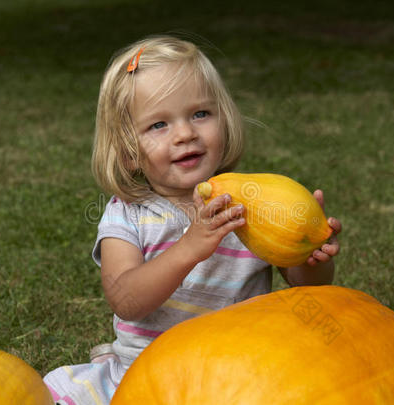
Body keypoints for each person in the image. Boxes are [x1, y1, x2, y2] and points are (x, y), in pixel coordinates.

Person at [43, 34, 342, 405]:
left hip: (239, 373)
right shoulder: (129, 214)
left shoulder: (249, 203)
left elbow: (304, 286)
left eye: (200, 114)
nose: (185, 134)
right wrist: (187, 249)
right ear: (129, 155)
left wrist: (310, 255)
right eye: (158, 125)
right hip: (150, 376)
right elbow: (125, 299)